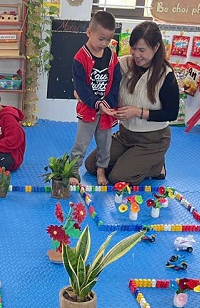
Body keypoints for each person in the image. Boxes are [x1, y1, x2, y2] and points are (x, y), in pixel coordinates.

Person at [85, 21, 180, 185]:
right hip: (125, 135)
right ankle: (134, 159)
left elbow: (171, 113)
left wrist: (137, 112)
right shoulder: (124, 64)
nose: (136, 54)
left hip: (153, 140)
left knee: (117, 178)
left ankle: (156, 166)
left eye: (142, 50)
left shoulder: (166, 75)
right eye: (133, 48)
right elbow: (98, 69)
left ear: (156, 47)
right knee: (92, 165)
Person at [69, 10, 121, 186]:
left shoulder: (112, 57)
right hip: (89, 110)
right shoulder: (80, 58)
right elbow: (81, 88)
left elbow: (116, 83)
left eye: (108, 40)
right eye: (101, 39)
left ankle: (101, 170)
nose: (104, 44)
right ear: (89, 32)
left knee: (105, 143)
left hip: (107, 111)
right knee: (81, 142)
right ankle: (73, 170)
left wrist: (108, 103)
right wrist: (97, 104)